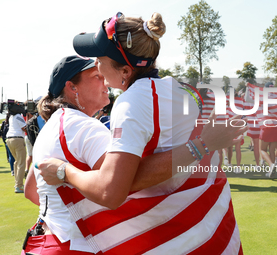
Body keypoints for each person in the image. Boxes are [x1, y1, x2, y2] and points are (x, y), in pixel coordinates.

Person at [37, 13, 246, 254]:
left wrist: (65, 171)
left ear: (125, 70)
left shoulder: (131, 103)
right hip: (218, 230)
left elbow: (111, 191)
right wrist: (203, 145)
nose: (96, 65)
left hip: (178, 240)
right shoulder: (184, 90)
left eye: (99, 58)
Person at [6, 108, 27, 193]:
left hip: (9, 140)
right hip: (17, 139)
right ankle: (19, 186)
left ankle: (17, 183)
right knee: (21, 163)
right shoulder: (18, 116)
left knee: (17, 162)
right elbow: (24, 128)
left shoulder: (11, 116)